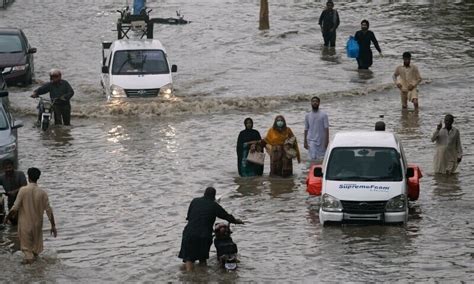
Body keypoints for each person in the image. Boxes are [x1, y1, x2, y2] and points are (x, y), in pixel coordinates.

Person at [178, 187, 243, 271]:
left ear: (204, 193)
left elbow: (189, 217)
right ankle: (203, 277)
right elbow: (227, 216)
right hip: (204, 236)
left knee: (189, 258)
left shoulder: (194, 201)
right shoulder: (214, 206)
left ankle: (190, 277)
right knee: (202, 259)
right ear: (214, 196)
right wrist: (236, 221)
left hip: (189, 234)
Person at [4, 168, 57, 264]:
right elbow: (49, 210)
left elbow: (15, 208)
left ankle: (29, 274)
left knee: (27, 251)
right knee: (35, 251)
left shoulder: (23, 190)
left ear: (28, 177)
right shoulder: (42, 192)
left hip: (25, 225)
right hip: (37, 225)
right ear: (38, 177)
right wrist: (53, 226)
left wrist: (7, 218)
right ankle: (37, 274)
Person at [0, 159, 27, 225]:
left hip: (22, 201)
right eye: (6, 168)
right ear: (3, 169)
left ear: (13, 167)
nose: (8, 169)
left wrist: (14, 192)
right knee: (13, 222)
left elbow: (25, 186)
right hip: (11, 202)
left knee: (23, 221)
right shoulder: (2, 177)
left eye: (9, 167)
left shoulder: (20, 174)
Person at [304, 96, 329, 163]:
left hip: (321, 140)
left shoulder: (324, 115)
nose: (315, 103)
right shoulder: (307, 115)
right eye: (313, 101)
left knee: (321, 158)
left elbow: (326, 129)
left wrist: (327, 141)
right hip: (311, 139)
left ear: (319, 103)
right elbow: (306, 129)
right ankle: (311, 169)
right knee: (312, 157)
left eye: (316, 101)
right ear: (311, 103)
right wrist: (305, 142)